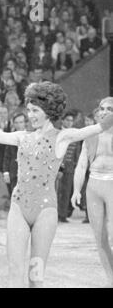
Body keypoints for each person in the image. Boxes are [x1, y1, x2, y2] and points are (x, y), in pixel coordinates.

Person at [0, 81, 113, 287]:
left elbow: (101, 125)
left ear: (48, 110)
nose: (30, 115)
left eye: (35, 110)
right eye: (28, 110)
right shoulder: (21, 137)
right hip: (18, 208)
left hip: (45, 212)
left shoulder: (63, 136)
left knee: (36, 275)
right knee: (15, 271)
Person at [71, 97, 113, 287]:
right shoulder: (91, 134)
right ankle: (110, 278)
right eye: (102, 108)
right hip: (94, 187)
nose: (103, 112)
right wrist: (76, 190)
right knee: (100, 238)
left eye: (109, 109)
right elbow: (81, 164)